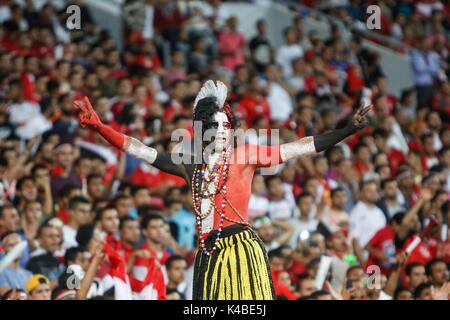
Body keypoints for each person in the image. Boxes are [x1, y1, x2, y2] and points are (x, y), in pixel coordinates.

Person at [74, 79, 371, 300]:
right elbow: (140, 150)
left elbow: (302, 147)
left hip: (241, 249)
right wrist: (101, 127)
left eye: (225, 127)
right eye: (214, 128)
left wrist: (347, 129)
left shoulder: (246, 155)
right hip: (207, 253)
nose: (221, 133)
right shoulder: (190, 165)